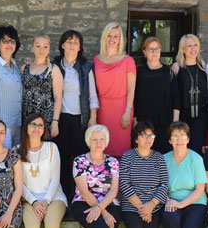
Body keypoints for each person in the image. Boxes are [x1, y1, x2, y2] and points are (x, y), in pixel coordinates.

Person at [19, 113, 70, 228]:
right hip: (29, 200)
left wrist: (45, 201)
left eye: (40, 125)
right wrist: (34, 202)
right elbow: (19, 183)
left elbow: (56, 178)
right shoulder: (17, 150)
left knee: (51, 227)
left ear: (44, 130)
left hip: (54, 198)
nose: (36, 128)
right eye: (33, 124)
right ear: (26, 127)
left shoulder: (51, 148)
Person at [51, 30, 99, 205]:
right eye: (69, 42)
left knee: (80, 160)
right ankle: (64, 199)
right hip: (61, 119)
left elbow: (92, 96)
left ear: (80, 47)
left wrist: (93, 118)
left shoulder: (86, 67)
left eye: (76, 43)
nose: (72, 45)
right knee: (62, 160)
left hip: (81, 120)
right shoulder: (54, 66)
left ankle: (80, 198)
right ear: (62, 45)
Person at [162, 121, 208, 228]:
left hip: (195, 203)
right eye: (175, 136)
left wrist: (181, 204)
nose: (179, 140)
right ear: (169, 140)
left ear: (188, 139)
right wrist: (168, 201)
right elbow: (160, 186)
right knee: (170, 219)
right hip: (171, 200)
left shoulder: (196, 159)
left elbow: (200, 189)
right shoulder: (164, 159)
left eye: (182, 136)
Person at [93, 22, 137, 156]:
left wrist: (128, 111)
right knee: (102, 146)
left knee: (121, 148)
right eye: (109, 35)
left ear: (120, 40)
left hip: (121, 109)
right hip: (102, 109)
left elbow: (131, 88)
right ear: (104, 38)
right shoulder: (96, 60)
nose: (112, 39)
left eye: (115, 36)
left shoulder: (128, 60)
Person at [133, 37, 181, 154]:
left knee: (163, 155)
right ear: (144, 52)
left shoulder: (168, 72)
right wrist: (134, 120)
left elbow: (176, 98)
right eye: (151, 49)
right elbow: (134, 98)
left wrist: (175, 123)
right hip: (143, 123)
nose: (154, 52)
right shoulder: (138, 72)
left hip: (164, 123)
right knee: (144, 154)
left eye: (157, 49)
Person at [171, 34, 208, 154]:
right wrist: (175, 120)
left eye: (195, 45)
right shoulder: (176, 67)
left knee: (196, 149)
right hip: (183, 116)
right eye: (189, 46)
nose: (193, 49)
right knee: (181, 149)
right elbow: (174, 95)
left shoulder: (203, 65)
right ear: (182, 49)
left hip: (200, 116)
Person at [21, 35, 63, 139]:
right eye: (38, 46)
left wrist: (55, 122)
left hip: (45, 119)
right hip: (27, 117)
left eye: (45, 46)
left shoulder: (53, 69)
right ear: (32, 48)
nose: (41, 50)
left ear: (49, 49)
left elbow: (58, 97)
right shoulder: (24, 68)